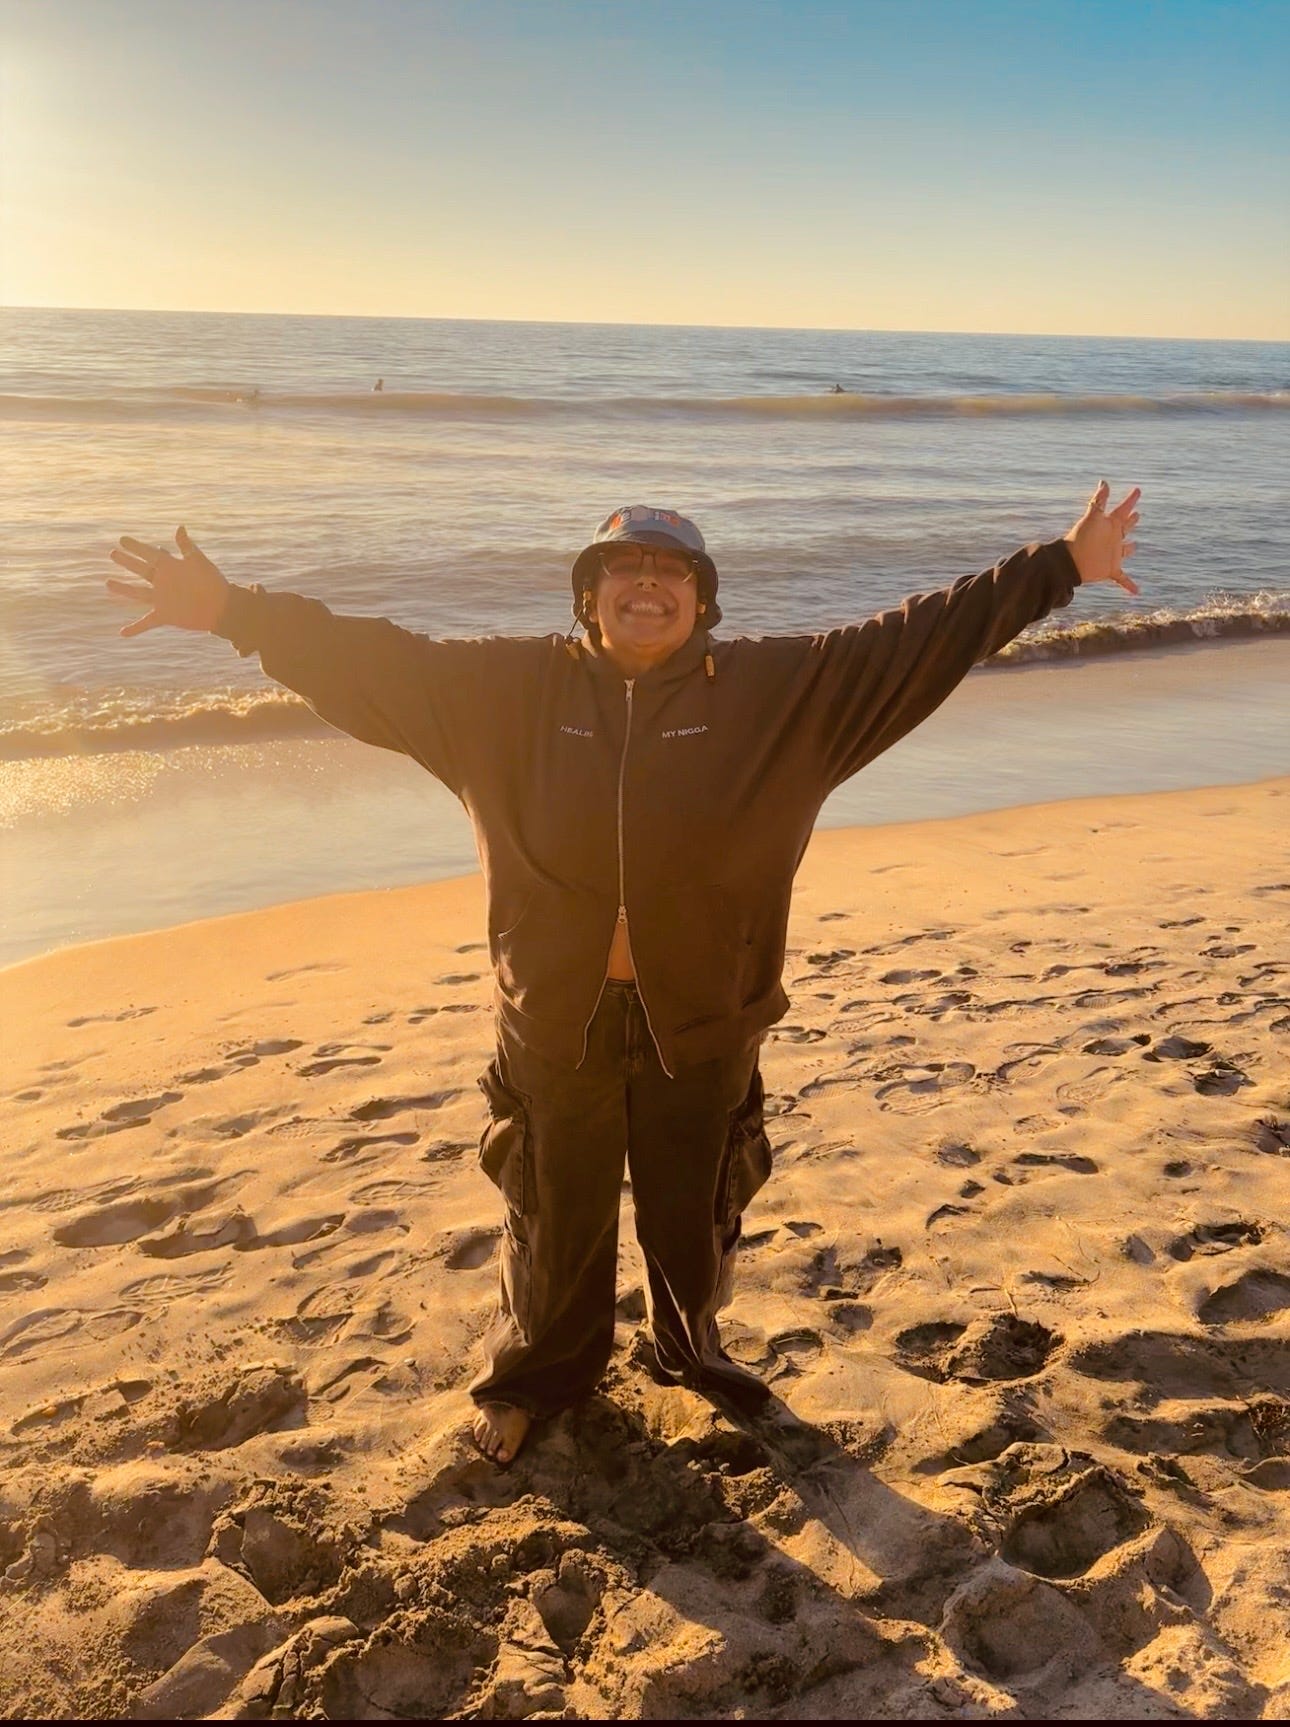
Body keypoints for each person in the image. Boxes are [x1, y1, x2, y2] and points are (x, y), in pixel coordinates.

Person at [106, 484, 1141, 1465]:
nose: (647, 582)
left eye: (671, 569)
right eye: (623, 567)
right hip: (555, 1017)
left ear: (703, 597)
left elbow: (920, 639)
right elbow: (373, 662)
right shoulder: (508, 693)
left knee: (697, 1214)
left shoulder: (782, 696)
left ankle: (690, 1349)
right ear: (588, 593)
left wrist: (1061, 564)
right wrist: (235, 612)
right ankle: (537, 1378)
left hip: (707, 1013)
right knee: (551, 1213)